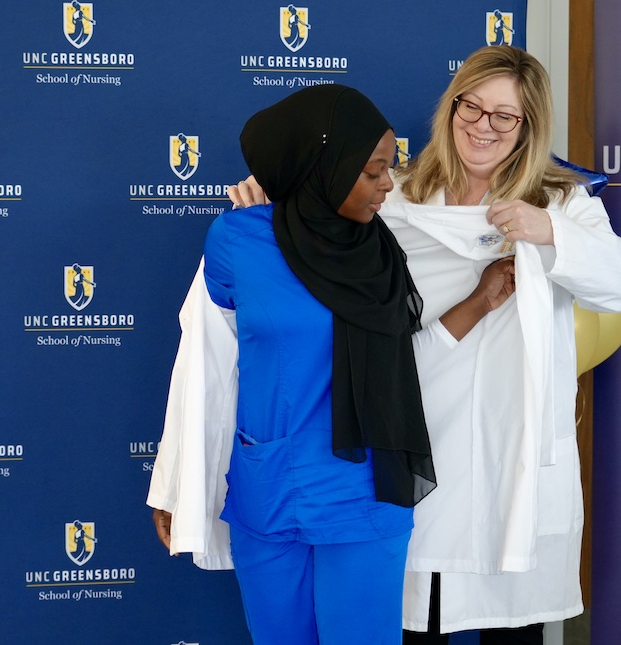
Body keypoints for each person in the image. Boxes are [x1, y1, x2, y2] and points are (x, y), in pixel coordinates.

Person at [229, 46, 621, 644]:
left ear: (529, 125)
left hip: (511, 452)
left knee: (513, 629)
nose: (483, 125)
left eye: (504, 115)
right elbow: (318, 258)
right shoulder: (392, 197)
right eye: (470, 107)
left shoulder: (561, 203)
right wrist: (275, 214)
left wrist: (550, 232)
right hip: (411, 438)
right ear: (450, 108)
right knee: (415, 624)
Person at [147, 84, 515, 645]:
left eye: (388, 168)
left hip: (364, 496)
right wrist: (175, 484)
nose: (388, 184)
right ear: (324, 166)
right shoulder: (237, 240)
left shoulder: (387, 247)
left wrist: (482, 300)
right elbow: (204, 368)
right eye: (372, 171)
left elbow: (405, 365)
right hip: (269, 489)